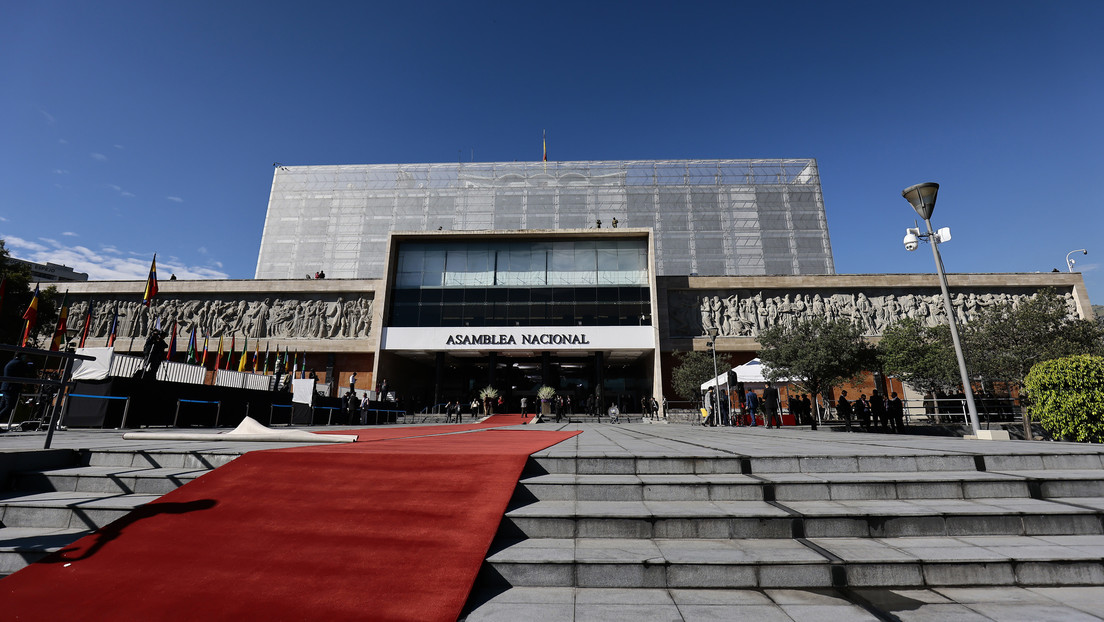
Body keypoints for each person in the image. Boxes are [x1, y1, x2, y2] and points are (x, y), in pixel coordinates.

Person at [0, 354, 32, 428]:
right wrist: (30, 363)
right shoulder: (19, 363)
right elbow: (28, 369)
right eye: (26, 357)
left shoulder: (13, 361)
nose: (27, 358)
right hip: (11, 388)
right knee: (9, 406)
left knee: (3, 406)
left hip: (6, 387)